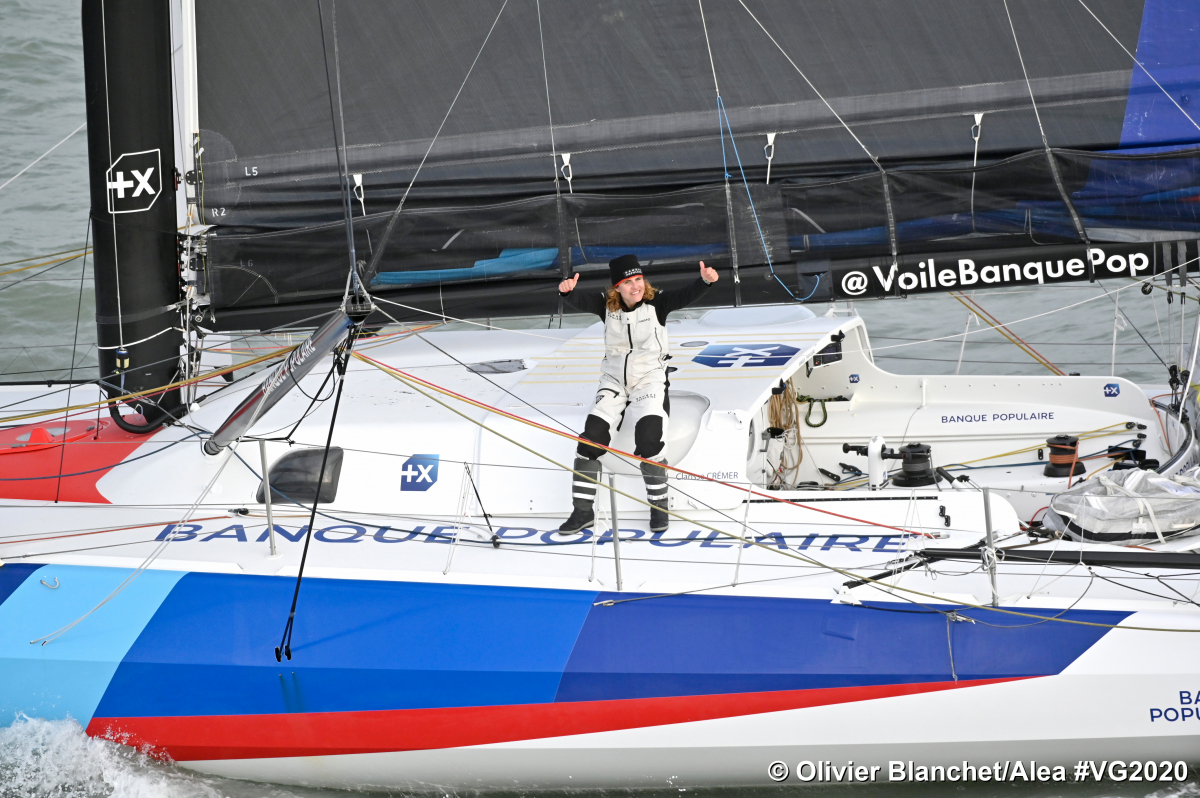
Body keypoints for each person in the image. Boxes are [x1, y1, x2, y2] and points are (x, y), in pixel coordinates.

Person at [557, 254, 719, 534]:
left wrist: (704, 282)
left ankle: (659, 510)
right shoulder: (605, 306)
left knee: (649, 441)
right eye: (628, 282)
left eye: (639, 280)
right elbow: (578, 300)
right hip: (614, 381)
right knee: (589, 441)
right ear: (616, 288)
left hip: (650, 381)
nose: (636, 287)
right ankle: (582, 512)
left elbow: (687, 295)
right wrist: (567, 292)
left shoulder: (658, 303)